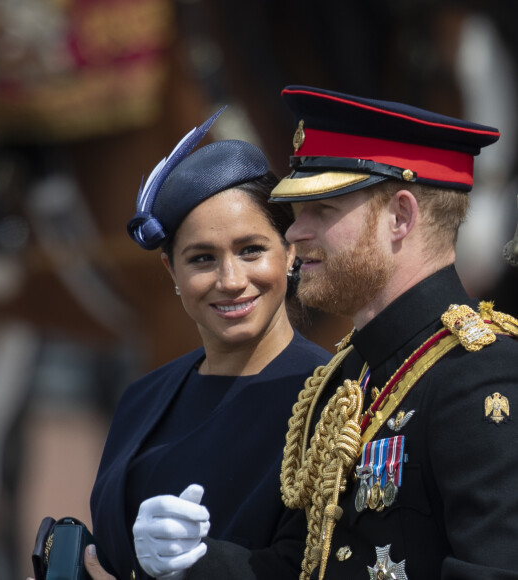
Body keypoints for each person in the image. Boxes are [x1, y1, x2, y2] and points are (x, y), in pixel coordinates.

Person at [268, 85, 518, 580]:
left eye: (324, 210)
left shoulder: (481, 377)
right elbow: (290, 566)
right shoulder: (346, 377)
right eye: (299, 212)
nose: (295, 233)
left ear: (400, 217)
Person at [73, 109, 332, 580]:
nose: (231, 281)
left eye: (251, 250)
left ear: (291, 252)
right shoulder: (142, 400)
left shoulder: (335, 397)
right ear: (172, 272)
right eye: (202, 259)